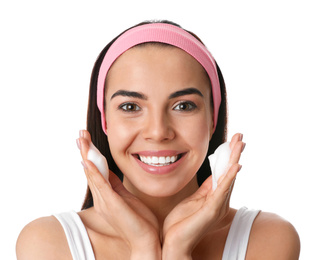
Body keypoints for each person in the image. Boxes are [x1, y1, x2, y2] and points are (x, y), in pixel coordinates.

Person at [16, 20, 300, 259]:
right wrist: (143, 247)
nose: (158, 131)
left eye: (184, 106)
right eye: (130, 107)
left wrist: (178, 249)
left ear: (213, 119)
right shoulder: (49, 244)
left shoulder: (266, 240)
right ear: (105, 121)